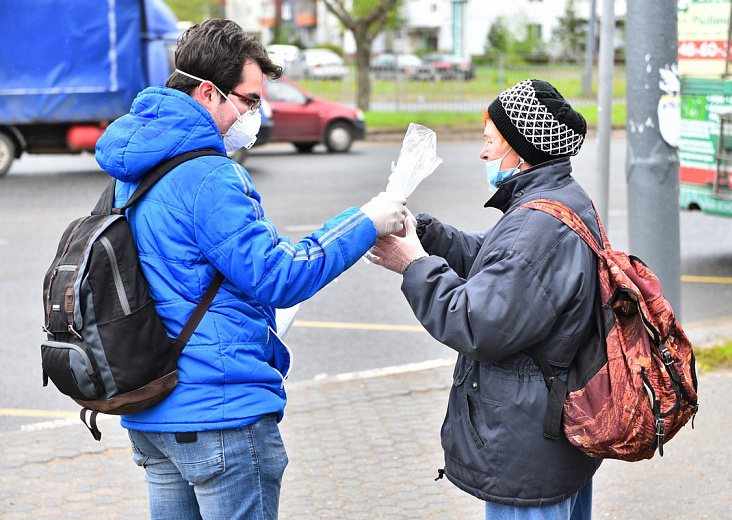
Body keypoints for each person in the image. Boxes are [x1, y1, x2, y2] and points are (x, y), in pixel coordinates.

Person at [94, 18, 406, 520]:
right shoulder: (209, 175)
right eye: (250, 100)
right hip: (220, 413)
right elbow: (280, 276)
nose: (256, 114)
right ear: (208, 93)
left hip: (153, 409)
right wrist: (365, 222)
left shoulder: (134, 166)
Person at [366, 79, 603, 519]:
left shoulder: (536, 227)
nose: (482, 152)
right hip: (548, 442)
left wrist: (413, 264)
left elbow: (477, 322)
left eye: (490, 141)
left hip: (528, 451)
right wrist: (425, 233)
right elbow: (495, 258)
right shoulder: (557, 197)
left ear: (521, 148)